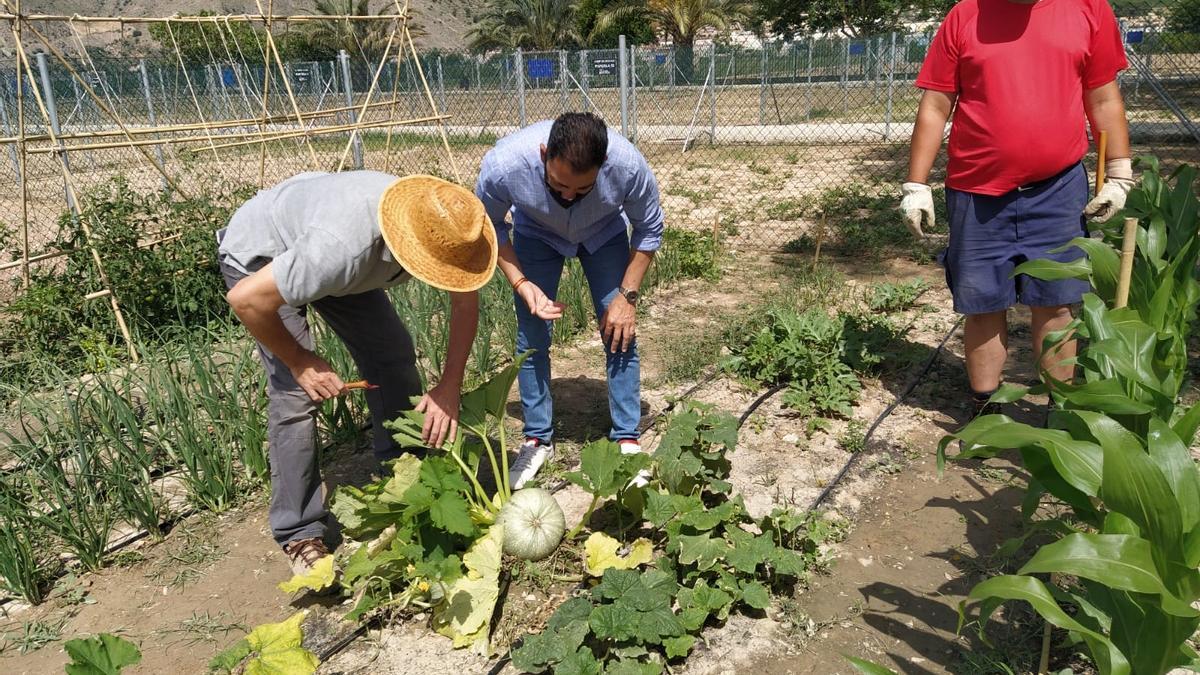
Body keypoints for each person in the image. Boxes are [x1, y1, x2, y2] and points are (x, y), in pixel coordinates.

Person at [217, 172, 496, 575]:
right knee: (296, 394)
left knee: (392, 356)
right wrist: (299, 360)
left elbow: (465, 305)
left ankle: (405, 475)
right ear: (408, 249)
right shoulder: (339, 250)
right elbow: (245, 301)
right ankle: (299, 531)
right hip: (264, 257)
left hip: (331, 256)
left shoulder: (451, 230)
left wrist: (450, 384)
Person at [900, 0, 1134, 417]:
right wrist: (916, 184)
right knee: (982, 305)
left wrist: (1118, 172)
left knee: (1057, 303)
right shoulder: (965, 14)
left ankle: (1060, 412)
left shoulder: (1087, 8)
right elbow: (937, 105)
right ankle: (985, 408)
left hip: (1058, 189)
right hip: (976, 193)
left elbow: (1101, 97)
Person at [475, 112, 665, 488]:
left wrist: (627, 298)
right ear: (545, 153)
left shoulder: (627, 165)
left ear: (604, 165)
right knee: (532, 334)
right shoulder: (504, 165)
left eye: (582, 190)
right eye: (558, 184)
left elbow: (648, 227)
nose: (567, 197)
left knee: (619, 328)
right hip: (536, 234)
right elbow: (488, 224)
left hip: (603, 233)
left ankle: (627, 436)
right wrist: (521, 282)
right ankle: (536, 438)